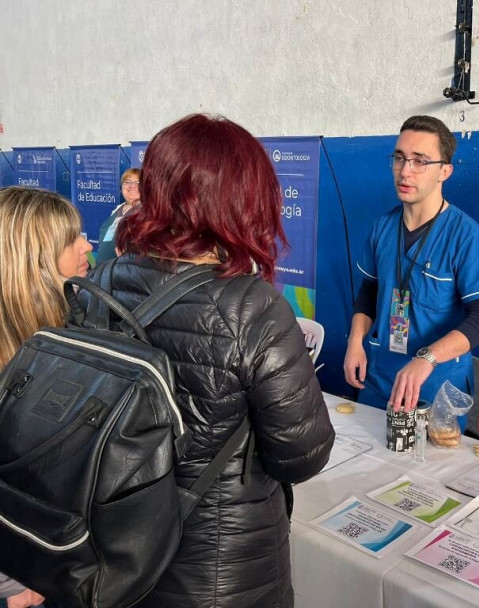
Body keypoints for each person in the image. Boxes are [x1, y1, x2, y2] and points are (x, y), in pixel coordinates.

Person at [101, 113, 334, 608]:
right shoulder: (250, 306)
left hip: (113, 550)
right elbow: (304, 453)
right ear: (245, 200)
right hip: (219, 568)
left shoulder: (102, 283)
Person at [344, 115, 479, 420]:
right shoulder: (383, 228)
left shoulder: (464, 236)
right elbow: (371, 289)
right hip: (380, 378)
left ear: (444, 171)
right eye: (400, 158)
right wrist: (355, 341)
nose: (405, 171)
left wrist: (427, 358)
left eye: (420, 161)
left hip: (437, 387)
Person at [0, 186, 93, 608]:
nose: (87, 246)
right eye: (72, 239)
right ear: (35, 258)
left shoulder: (68, 332)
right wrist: (12, 587)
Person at [95, 168, 140, 263]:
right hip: (102, 269)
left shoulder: (148, 213)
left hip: (122, 271)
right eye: (127, 181)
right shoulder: (118, 209)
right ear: (121, 187)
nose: (132, 185)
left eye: (138, 182)